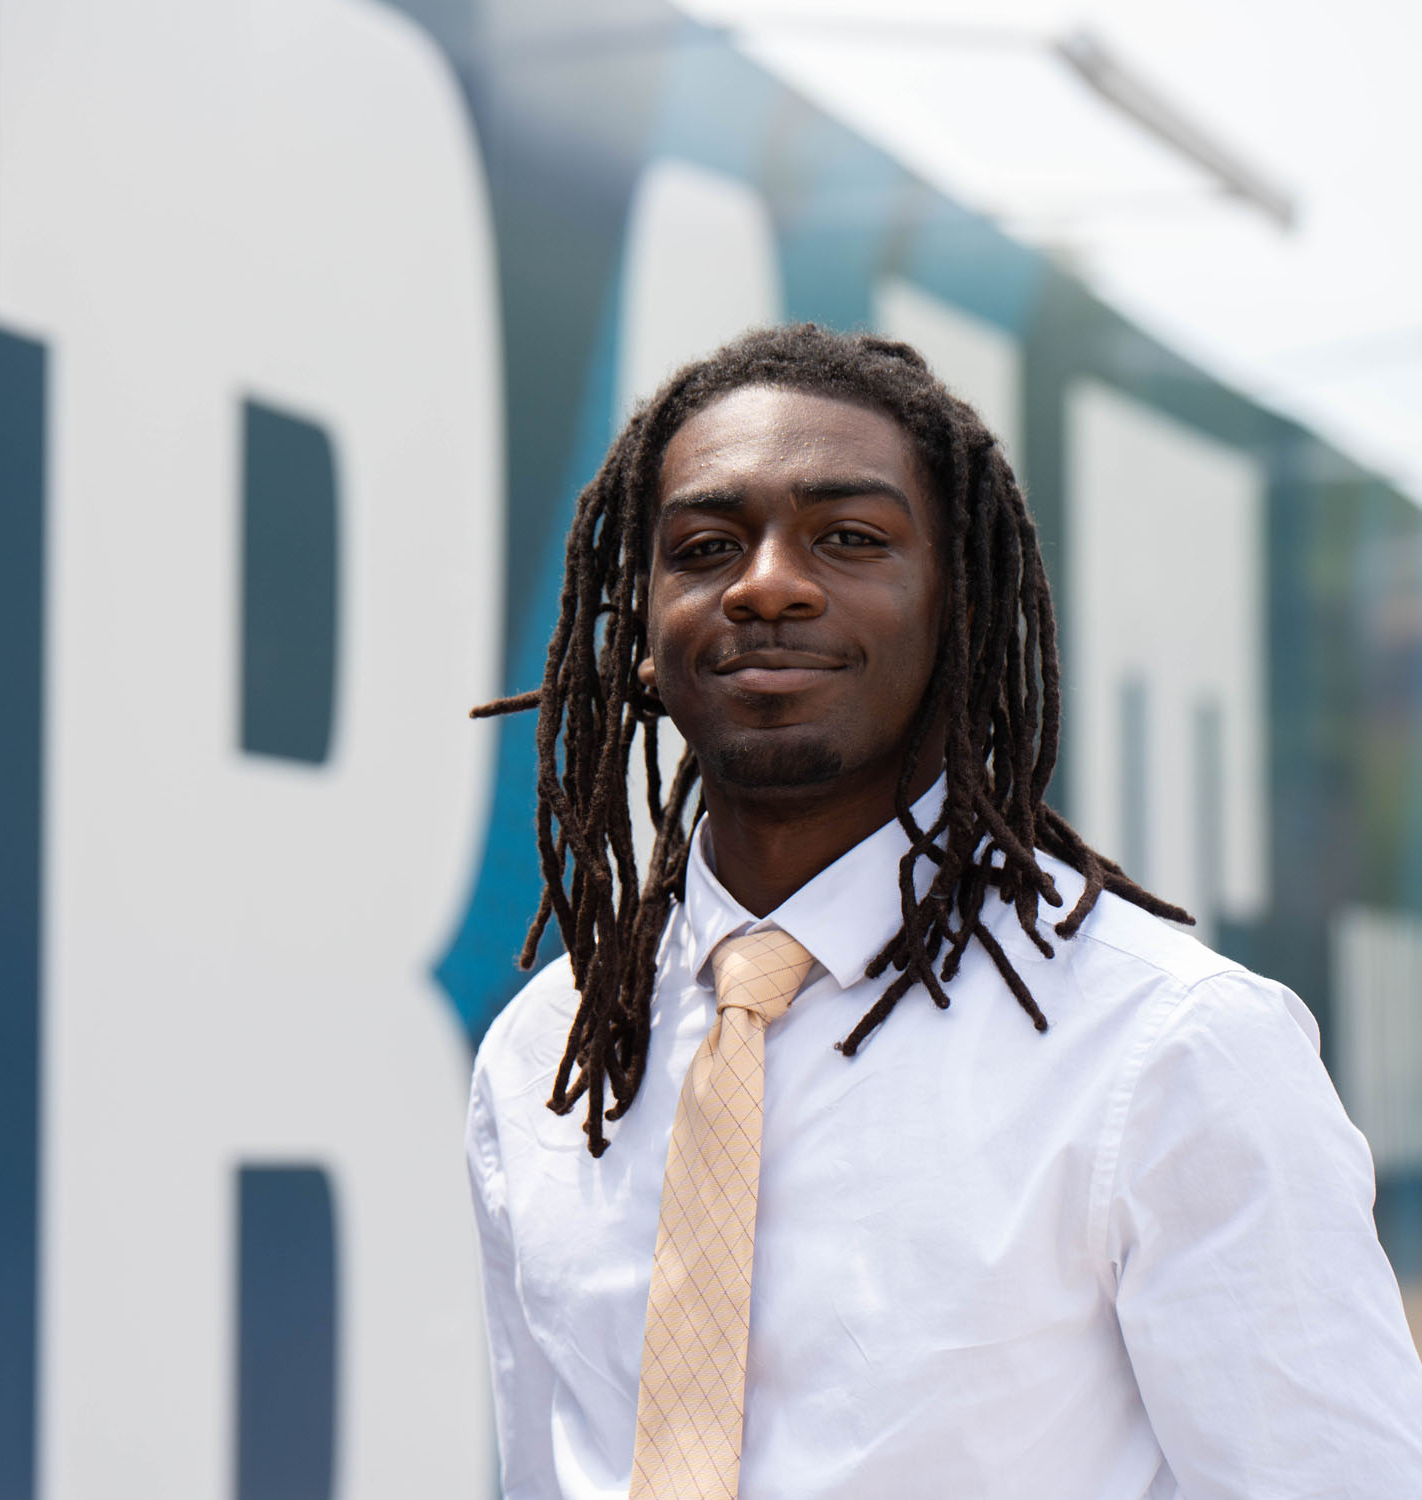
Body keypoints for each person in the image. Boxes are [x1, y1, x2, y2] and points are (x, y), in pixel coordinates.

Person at [464, 324, 1422, 1500]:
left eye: (850, 538)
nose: (766, 584)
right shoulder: (544, 1057)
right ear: (642, 634)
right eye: (705, 546)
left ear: (954, 610)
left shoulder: (1170, 1047)